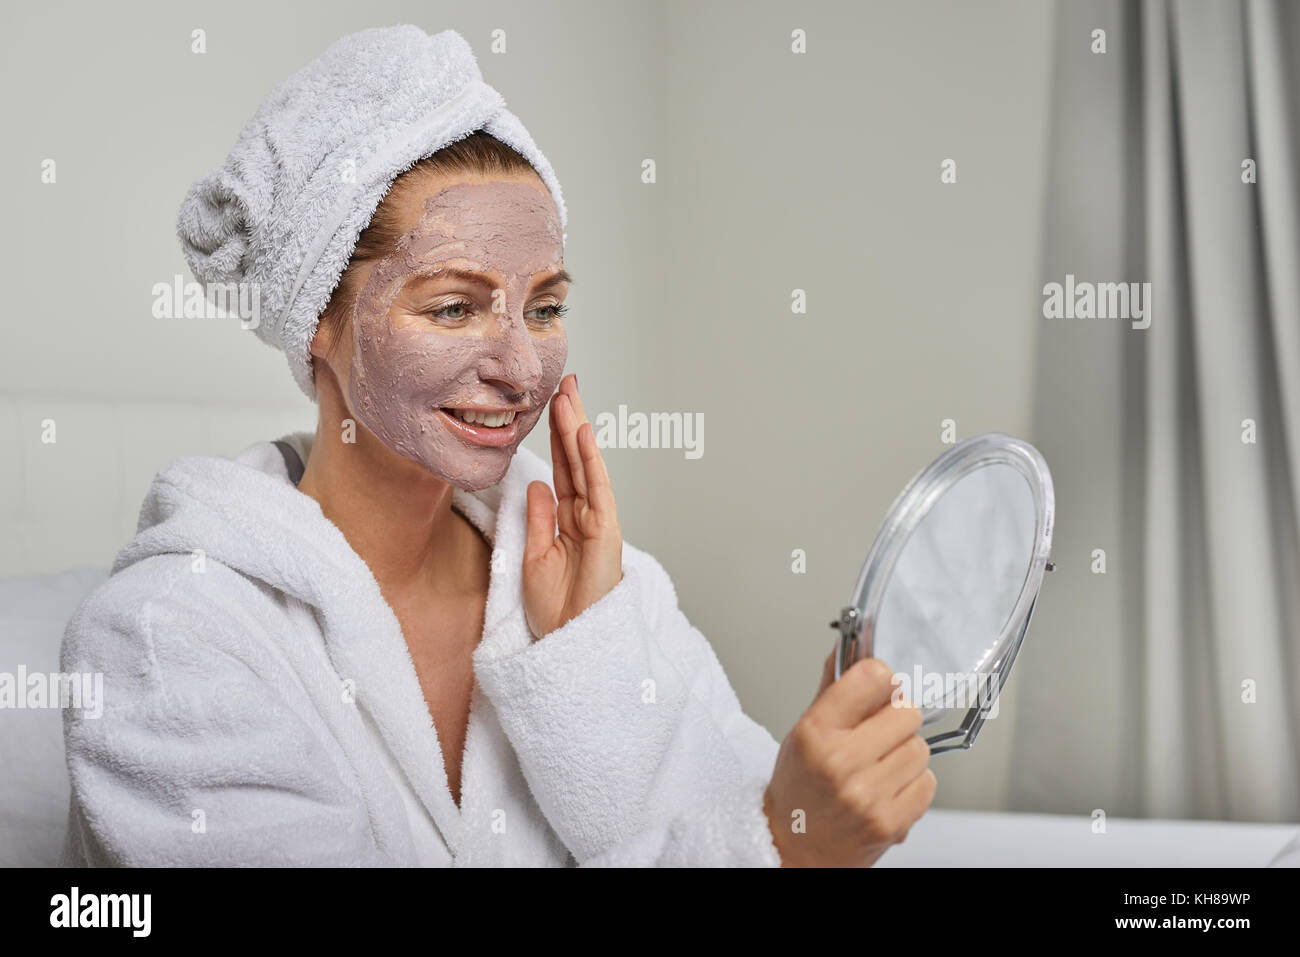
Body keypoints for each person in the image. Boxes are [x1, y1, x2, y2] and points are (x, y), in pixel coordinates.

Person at [59, 25, 935, 867]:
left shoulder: (590, 594)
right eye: (453, 306)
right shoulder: (170, 637)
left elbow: (715, 821)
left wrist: (587, 661)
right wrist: (788, 852)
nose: (523, 368)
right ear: (317, 321)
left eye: (545, 307)